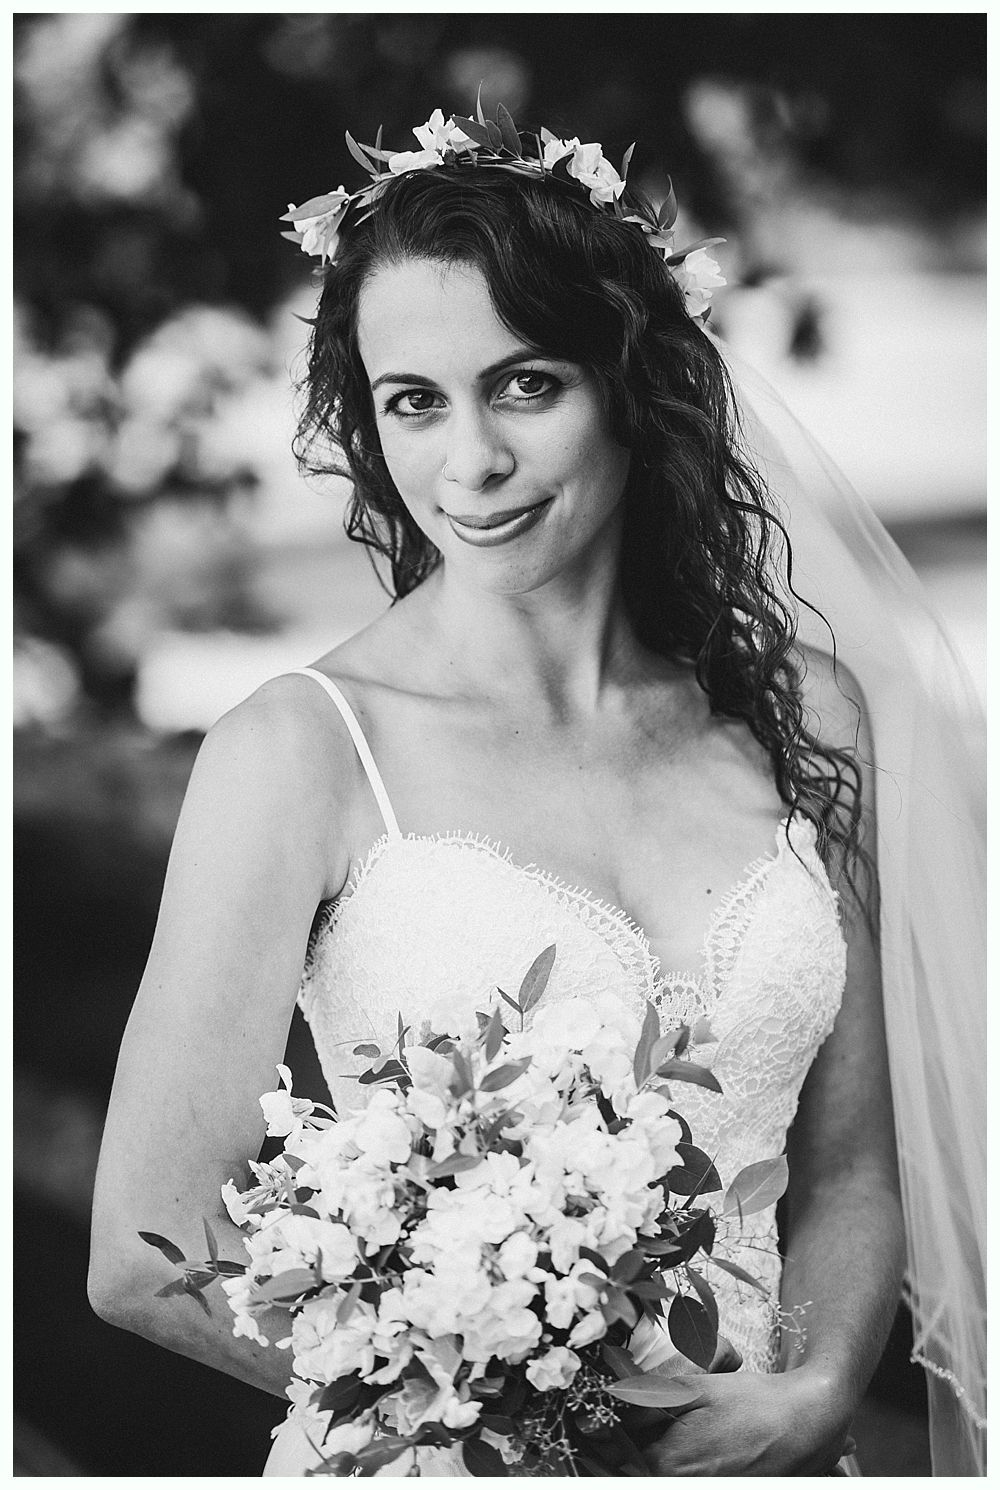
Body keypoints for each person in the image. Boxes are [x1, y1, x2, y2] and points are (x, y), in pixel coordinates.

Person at [88, 106, 984, 1477]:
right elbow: (146, 1250)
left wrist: (809, 1398)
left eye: (525, 384)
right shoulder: (299, 751)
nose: (472, 466)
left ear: (632, 381)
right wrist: (492, 1401)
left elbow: (853, 1163)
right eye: (414, 402)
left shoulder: (805, 714)